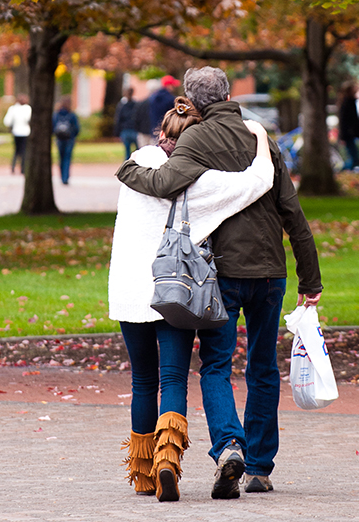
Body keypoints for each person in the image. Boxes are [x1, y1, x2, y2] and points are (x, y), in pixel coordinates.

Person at [116, 66, 323, 499]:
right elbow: (293, 213)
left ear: (191, 101)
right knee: (263, 368)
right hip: (270, 270)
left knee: (215, 366)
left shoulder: (196, 137)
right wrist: (311, 279)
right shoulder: (259, 137)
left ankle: (229, 445)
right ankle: (261, 468)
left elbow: (165, 184)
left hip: (223, 273)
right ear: (228, 94)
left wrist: (127, 170)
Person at [109, 96, 275, 502]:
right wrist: (260, 133)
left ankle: (145, 474)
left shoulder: (138, 160)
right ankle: (168, 461)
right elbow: (259, 180)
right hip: (173, 290)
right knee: (172, 379)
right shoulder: (201, 181)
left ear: (159, 132)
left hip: (128, 289)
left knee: (142, 381)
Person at [52, 95, 80, 185]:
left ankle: (61, 176)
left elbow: (53, 127)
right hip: (69, 139)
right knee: (67, 158)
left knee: (61, 158)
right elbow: (76, 128)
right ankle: (66, 177)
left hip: (59, 139)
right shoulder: (72, 115)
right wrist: (73, 135)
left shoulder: (56, 114)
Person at [3, 93, 31, 175]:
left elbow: (7, 121)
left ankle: (13, 167)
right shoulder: (28, 109)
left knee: (16, 151)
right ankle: (23, 168)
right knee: (24, 151)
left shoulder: (13, 109)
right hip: (26, 132)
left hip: (16, 132)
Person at [338, 82, 359, 172]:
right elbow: (347, 122)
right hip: (349, 135)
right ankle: (341, 172)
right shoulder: (347, 103)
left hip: (350, 135)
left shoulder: (350, 102)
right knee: (353, 158)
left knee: (354, 157)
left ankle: (343, 172)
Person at [134, 79, 161, 148]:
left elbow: (136, 118)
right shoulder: (160, 103)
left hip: (143, 132)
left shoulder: (142, 103)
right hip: (155, 131)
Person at [114, 87, 139, 160]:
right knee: (137, 151)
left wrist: (117, 132)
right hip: (135, 129)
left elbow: (118, 119)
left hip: (125, 130)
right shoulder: (136, 104)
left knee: (127, 152)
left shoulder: (121, 105)